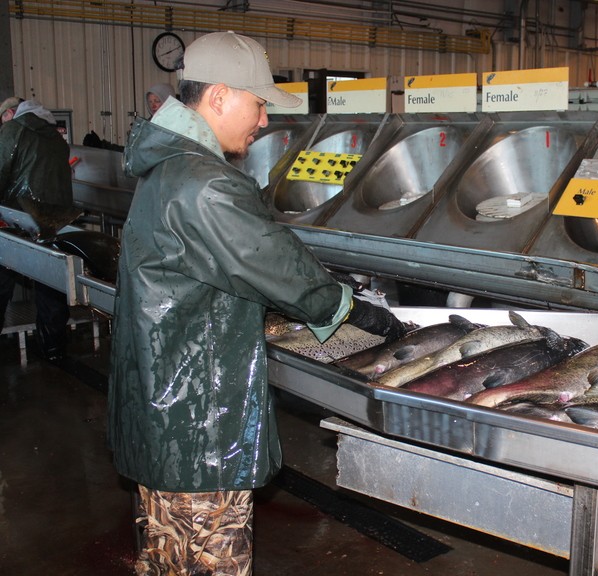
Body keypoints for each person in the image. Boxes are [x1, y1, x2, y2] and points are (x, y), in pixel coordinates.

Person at [107, 31, 406, 576]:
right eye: (260, 103)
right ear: (219, 96)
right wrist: (353, 309)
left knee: (170, 559)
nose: (264, 120)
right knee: (209, 562)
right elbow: (272, 264)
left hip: (164, 410)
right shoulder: (204, 182)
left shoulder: (170, 168)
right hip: (196, 424)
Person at [0, 97, 73, 360]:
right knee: (51, 283)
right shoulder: (54, 136)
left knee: (3, 277)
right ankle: (53, 350)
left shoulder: (13, 129)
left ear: (10, 113)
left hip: (18, 218)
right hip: (55, 219)